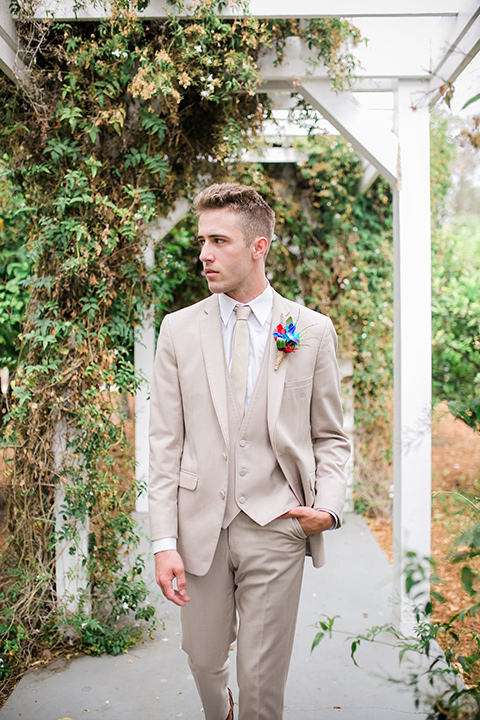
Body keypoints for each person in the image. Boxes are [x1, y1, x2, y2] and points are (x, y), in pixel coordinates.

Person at [148, 183, 350, 720]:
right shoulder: (178, 330)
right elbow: (165, 441)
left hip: (276, 524)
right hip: (199, 528)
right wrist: (163, 541)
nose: (204, 255)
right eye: (201, 241)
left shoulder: (308, 330)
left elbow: (330, 435)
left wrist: (327, 508)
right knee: (203, 657)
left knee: (262, 678)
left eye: (219, 241)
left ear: (259, 246)